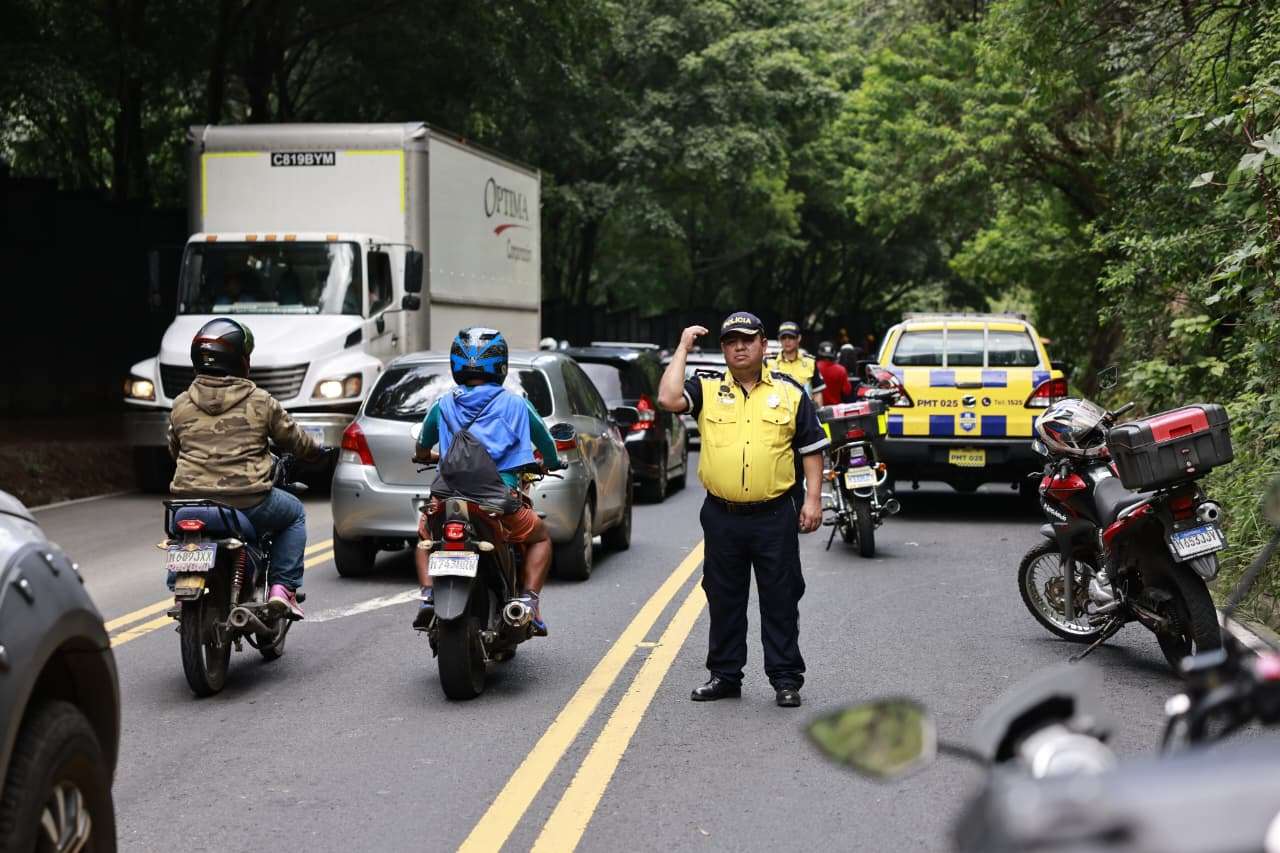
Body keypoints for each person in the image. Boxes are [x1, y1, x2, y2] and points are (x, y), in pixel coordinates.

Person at [657, 312, 828, 708]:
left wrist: (814, 499)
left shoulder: (789, 392)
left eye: (747, 340)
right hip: (723, 515)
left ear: (763, 345)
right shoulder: (708, 388)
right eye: (731, 341)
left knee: (780, 598)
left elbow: (811, 449)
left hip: (774, 514)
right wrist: (682, 347)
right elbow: (667, 398)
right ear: (723, 349)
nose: (739, 346)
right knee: (723, 596)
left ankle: (785, 678)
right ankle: (725, 676)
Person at [168, 317, 324, 619]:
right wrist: (316, 453)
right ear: (241, 361)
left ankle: (179, 586)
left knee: (180, 534)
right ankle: (282, 589)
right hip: (247, 501)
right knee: (294, 514)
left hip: (188, 504)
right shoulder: (260, 401)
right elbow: (295, 440)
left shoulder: (180, 404)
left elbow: (174, 449)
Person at [412, 327, 562, 634]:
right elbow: (546, 444)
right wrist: (551, 461)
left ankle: (428, 595)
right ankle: (530, 602)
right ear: (501, 365)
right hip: (499, 500)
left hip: (447, 495)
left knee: (426, 537)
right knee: (541, 537)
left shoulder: (443, 404)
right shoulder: (517, 403)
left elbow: (422, 448)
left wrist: (427, 456)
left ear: (457, 365)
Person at [764, 321, 825, 405]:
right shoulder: (769, 363)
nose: (787, 341)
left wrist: (817, 415)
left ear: (799, 338)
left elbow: (817, 392)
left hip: (804, 412)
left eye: (791, 337)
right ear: (779, 339)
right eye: (783, 337)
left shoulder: (810, 362)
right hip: (779, 412)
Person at [815, 340, 854, 405]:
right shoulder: (841, 370)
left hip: (818, 409)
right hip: (835, 410)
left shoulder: (813, 368)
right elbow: (847, 391)